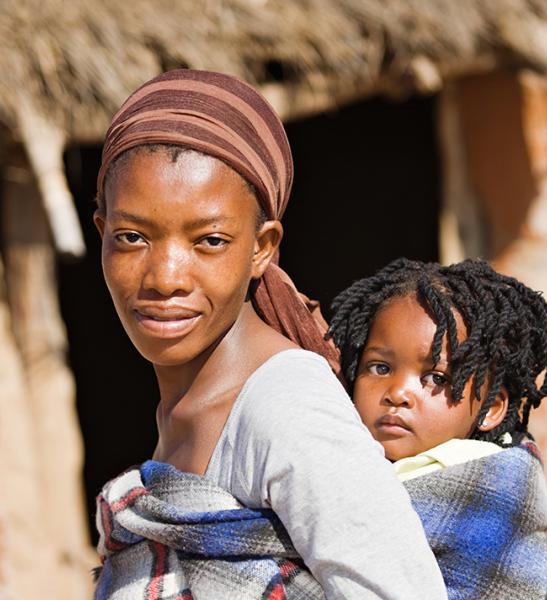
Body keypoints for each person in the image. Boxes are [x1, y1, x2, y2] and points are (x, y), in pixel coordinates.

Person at [92, 69, 447, 599]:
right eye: (132, 237)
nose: (165, 277)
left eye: (209, 240)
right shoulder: (187, 405)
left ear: (262, 247)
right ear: (100, 232)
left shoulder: (285, 406)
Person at [328, 257, 547, 600]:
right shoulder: (330, 462)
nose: (398, 393)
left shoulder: (493, 490)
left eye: (436, 378)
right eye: (380, 367)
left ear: (491, 409)